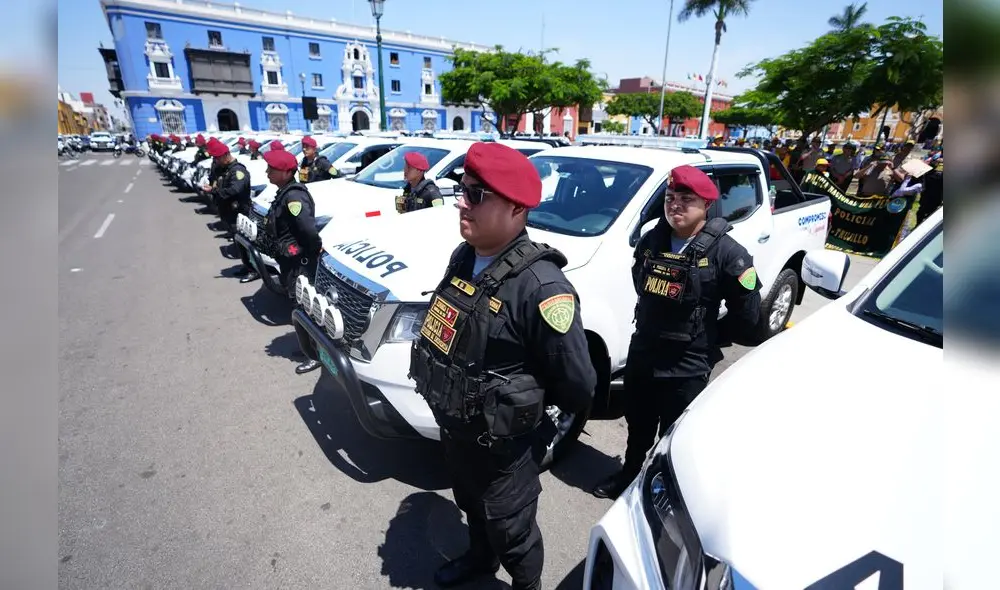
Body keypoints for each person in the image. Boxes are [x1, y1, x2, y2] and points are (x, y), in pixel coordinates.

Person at [408, 142, 596, 590]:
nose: (461, 202)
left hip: (505, 449)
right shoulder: (465, 257)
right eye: (462, 190)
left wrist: (531, 426)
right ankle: (479, 559)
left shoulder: (541, 287)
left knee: (513, 532)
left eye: (476, 195)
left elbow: (578, 384)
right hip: (458, 430)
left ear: (516, 208)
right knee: (471, 505)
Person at [592, 165, 762, 500]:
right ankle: (629, 475)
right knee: (638, 425)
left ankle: (660, 490)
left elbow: (748, 317)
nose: (675, 205)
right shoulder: (652, 239)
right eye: (670, 197)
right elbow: (641, 283)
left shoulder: (729, 253)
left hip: (687, 364)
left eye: (686, 199)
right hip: (644, 353)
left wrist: (707, 336)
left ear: (707, 205)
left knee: (674, 436)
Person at [262, 148, 324, 374]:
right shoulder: (284, 193)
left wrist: (314, 249)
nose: (267, 172)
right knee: (299, 305)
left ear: (287, 173)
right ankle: (309, 347)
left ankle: (316, 354)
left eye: (272, 169)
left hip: (300, 263)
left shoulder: (294, 197)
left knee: (305, 307)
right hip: (290, 261)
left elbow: (307, 230)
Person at [202, 137, 251, 241]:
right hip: (228, 210)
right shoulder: (226, 169)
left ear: (226, 155)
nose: (216, 161)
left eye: (217, 158)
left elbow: (234, 190)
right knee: (233, 231)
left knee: (240, 237)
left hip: (237, 211)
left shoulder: (238, 171)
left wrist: (213, 191)